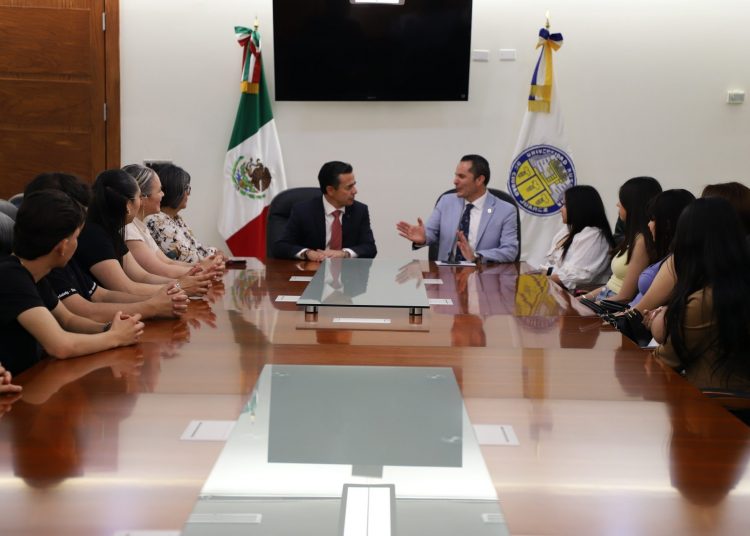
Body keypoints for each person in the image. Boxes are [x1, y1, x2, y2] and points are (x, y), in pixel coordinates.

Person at [0, 190, 144, 376]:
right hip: (21, 383)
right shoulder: (12, 276)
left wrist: (108, 328)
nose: (78, 244)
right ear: (62, 247)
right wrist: (116, 337)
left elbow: (68, 320)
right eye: (76, 237)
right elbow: (60, 346)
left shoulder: (32, 273)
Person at [23, 172, 188, 322]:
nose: (83, 223)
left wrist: (161, 298)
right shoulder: (87, 238)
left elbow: (101, 295)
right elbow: (82, 314)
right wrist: (156, 304)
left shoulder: (64, 254)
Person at [648, 197, 750, 391]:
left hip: (713, 403)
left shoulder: (704, 301)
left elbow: (663, 362)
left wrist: (657, 323)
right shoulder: (734, 288)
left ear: (688, 243)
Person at [74, 169, 210, 297]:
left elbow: (142, 276)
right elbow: (126, 288)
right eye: (139, 197)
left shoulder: (110, 231)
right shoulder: (95, 236)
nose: (141, 202)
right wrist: (180, 286)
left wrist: (184, 282)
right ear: (128, 205)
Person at [396, 154, 518, 263]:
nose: (455, 181)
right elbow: (430, 233)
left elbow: (510, 251)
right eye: (455, 176)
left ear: (479, 180)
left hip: (483, 275)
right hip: (447, 275)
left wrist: (476, 256)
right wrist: (423, 238)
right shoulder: (446, 201)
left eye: (461, 176)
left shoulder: (505, 210)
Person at [122, 164, 225, 278]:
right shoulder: (130, 228)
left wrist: (202, 267)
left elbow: (168, 262)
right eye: (159, 190)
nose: (163, 194)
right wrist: (204, 269)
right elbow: (161, 270)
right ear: (142, 197)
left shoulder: (140, 225)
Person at [273, 161, 377, 260]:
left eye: (354, 185)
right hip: (313, 269)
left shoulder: (360, 211)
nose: (355, 191)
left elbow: (370, 248)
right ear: (330, 190)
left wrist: (344, 253)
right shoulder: (302, 211)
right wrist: (307, 253)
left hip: (347, 271)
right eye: (349, 187)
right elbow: (280, 246)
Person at [582, 176, 662, 302]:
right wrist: (582, 299)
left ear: (633, 206)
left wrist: (589, 307)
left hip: (612, 306)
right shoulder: (634, 237)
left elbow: (625, 296)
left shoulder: (642, 242)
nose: (617, 204)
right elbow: (611, 285)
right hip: (605, 298)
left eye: (621, 200)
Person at [145, 163, 225, 263]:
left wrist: (216, 253)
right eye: (187, 188)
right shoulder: (156, 220)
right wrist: (215, 257)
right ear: (174, 190)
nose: (188, 193)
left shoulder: (176, 218)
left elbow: (198, 248)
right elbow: (189, 259)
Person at [540, 185, 615, 290]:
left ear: (578, 208)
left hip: (577, 295)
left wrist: (541, 280)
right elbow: (552, 264)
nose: (561, 209)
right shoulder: (568, 230)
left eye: (565, 205)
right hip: (557, 289)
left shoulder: (594, 236)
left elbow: (577, 275)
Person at [629, 189, 694, 307]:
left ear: (668, 223)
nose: (649, 224)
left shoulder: (676, 260)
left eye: (653, 219)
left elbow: (637, 308)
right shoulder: (667, 253)